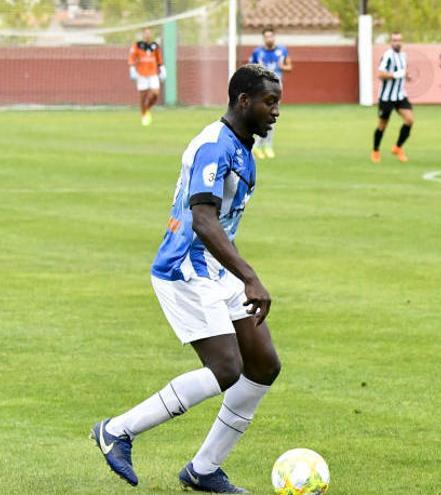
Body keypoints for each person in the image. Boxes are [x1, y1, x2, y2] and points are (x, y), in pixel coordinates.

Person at [91, 64, 283, 493]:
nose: (276, 112)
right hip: (186, 268)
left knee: (263, 364)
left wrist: (239, 276)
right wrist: (251, 277)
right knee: (226, 368)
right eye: (270, 102)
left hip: (215, 269)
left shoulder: (242, 147)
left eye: (279, 103)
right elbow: (203, 220)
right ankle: (117, 431)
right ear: (243, 100)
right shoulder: (213, 146)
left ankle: (203, 469)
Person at [249, 27, 292, 159]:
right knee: (261, 116)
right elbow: (250, 69)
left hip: (277, 88)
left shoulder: (282, 51)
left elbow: (289, 67)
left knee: (272, 118)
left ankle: (267, 145)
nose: (269, 39)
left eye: (271, 36)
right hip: (262, 88)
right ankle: (256, 146)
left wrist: (282, 66)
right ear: (263, 38)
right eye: (266, 37)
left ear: (274, 37)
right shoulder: (257, 52)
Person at [371, 32, 414, 164]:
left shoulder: (403, 56)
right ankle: (375, 150)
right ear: (391, 42)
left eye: (399, 40)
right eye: (395, 40)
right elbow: (380, 74)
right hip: (386, 97)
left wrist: (406, 76)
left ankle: (397, 148)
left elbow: (403, 72)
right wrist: (397, 74)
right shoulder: (388, 56)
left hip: (400, 95)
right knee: (383, 125)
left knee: (409, 120)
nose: (397, 42)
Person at [128, 27, 165, 126]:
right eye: (146, 33)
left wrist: (162, 69)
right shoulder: (137, 45)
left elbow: (159, 59)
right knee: (143, 96)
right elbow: (132, 58)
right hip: (142, 74)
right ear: (143, 35)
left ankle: (147, 109)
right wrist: (132, 69)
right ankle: (143, 115)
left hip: (153, 73)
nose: (148, 35)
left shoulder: (154, 46)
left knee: (155, 94)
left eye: (149, 33)